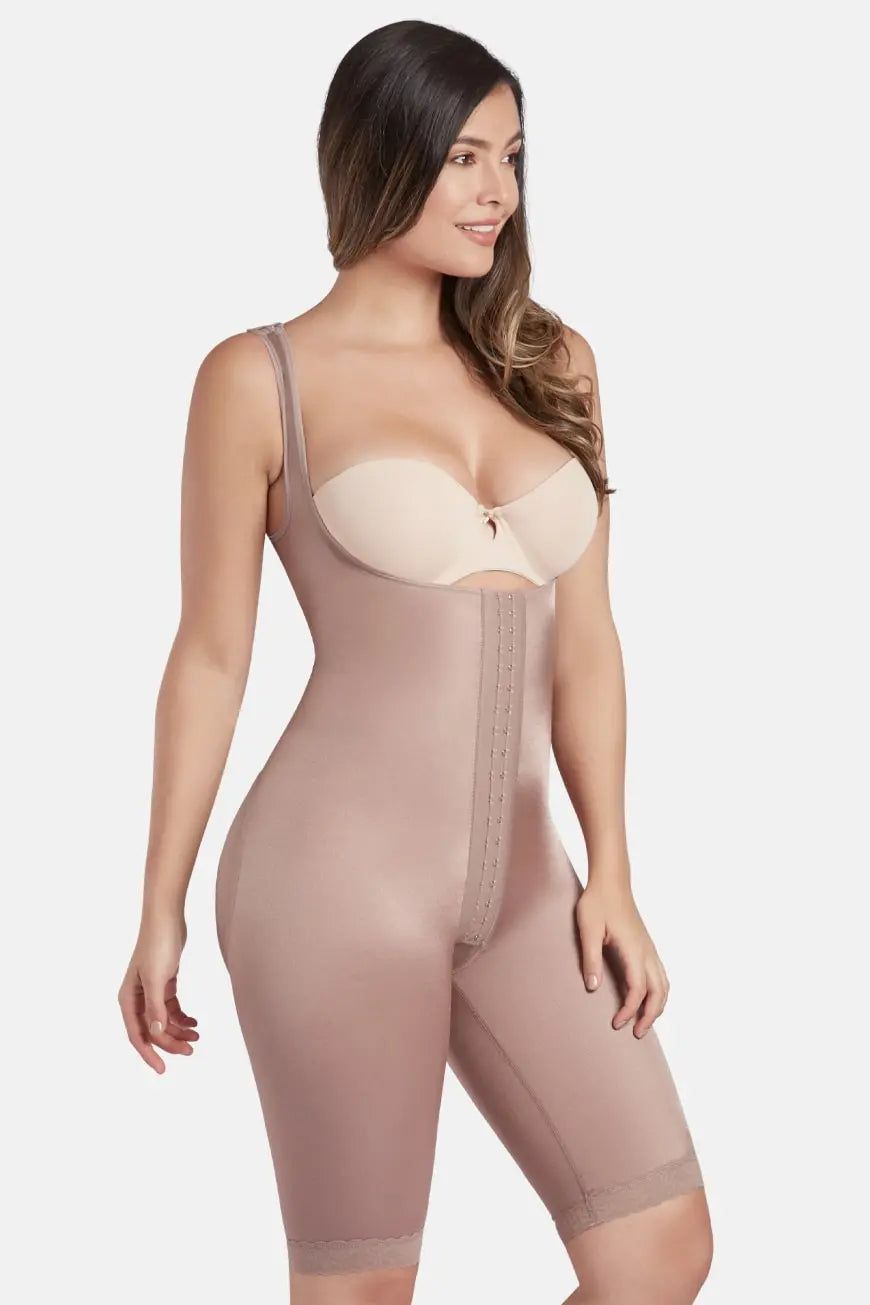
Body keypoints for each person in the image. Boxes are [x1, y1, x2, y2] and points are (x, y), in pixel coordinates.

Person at [118, 19, 713, 1305]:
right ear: (378, 158)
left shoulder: (552, 361)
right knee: (362, 1293)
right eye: (462, 158)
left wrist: (612, 869)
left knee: (661, 1252)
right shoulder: (257, 379)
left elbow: (589, 642)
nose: (498, 191)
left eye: (512, 156)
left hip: (532, 890)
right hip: (331, 886)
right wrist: (159, 903)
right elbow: (211, 657)